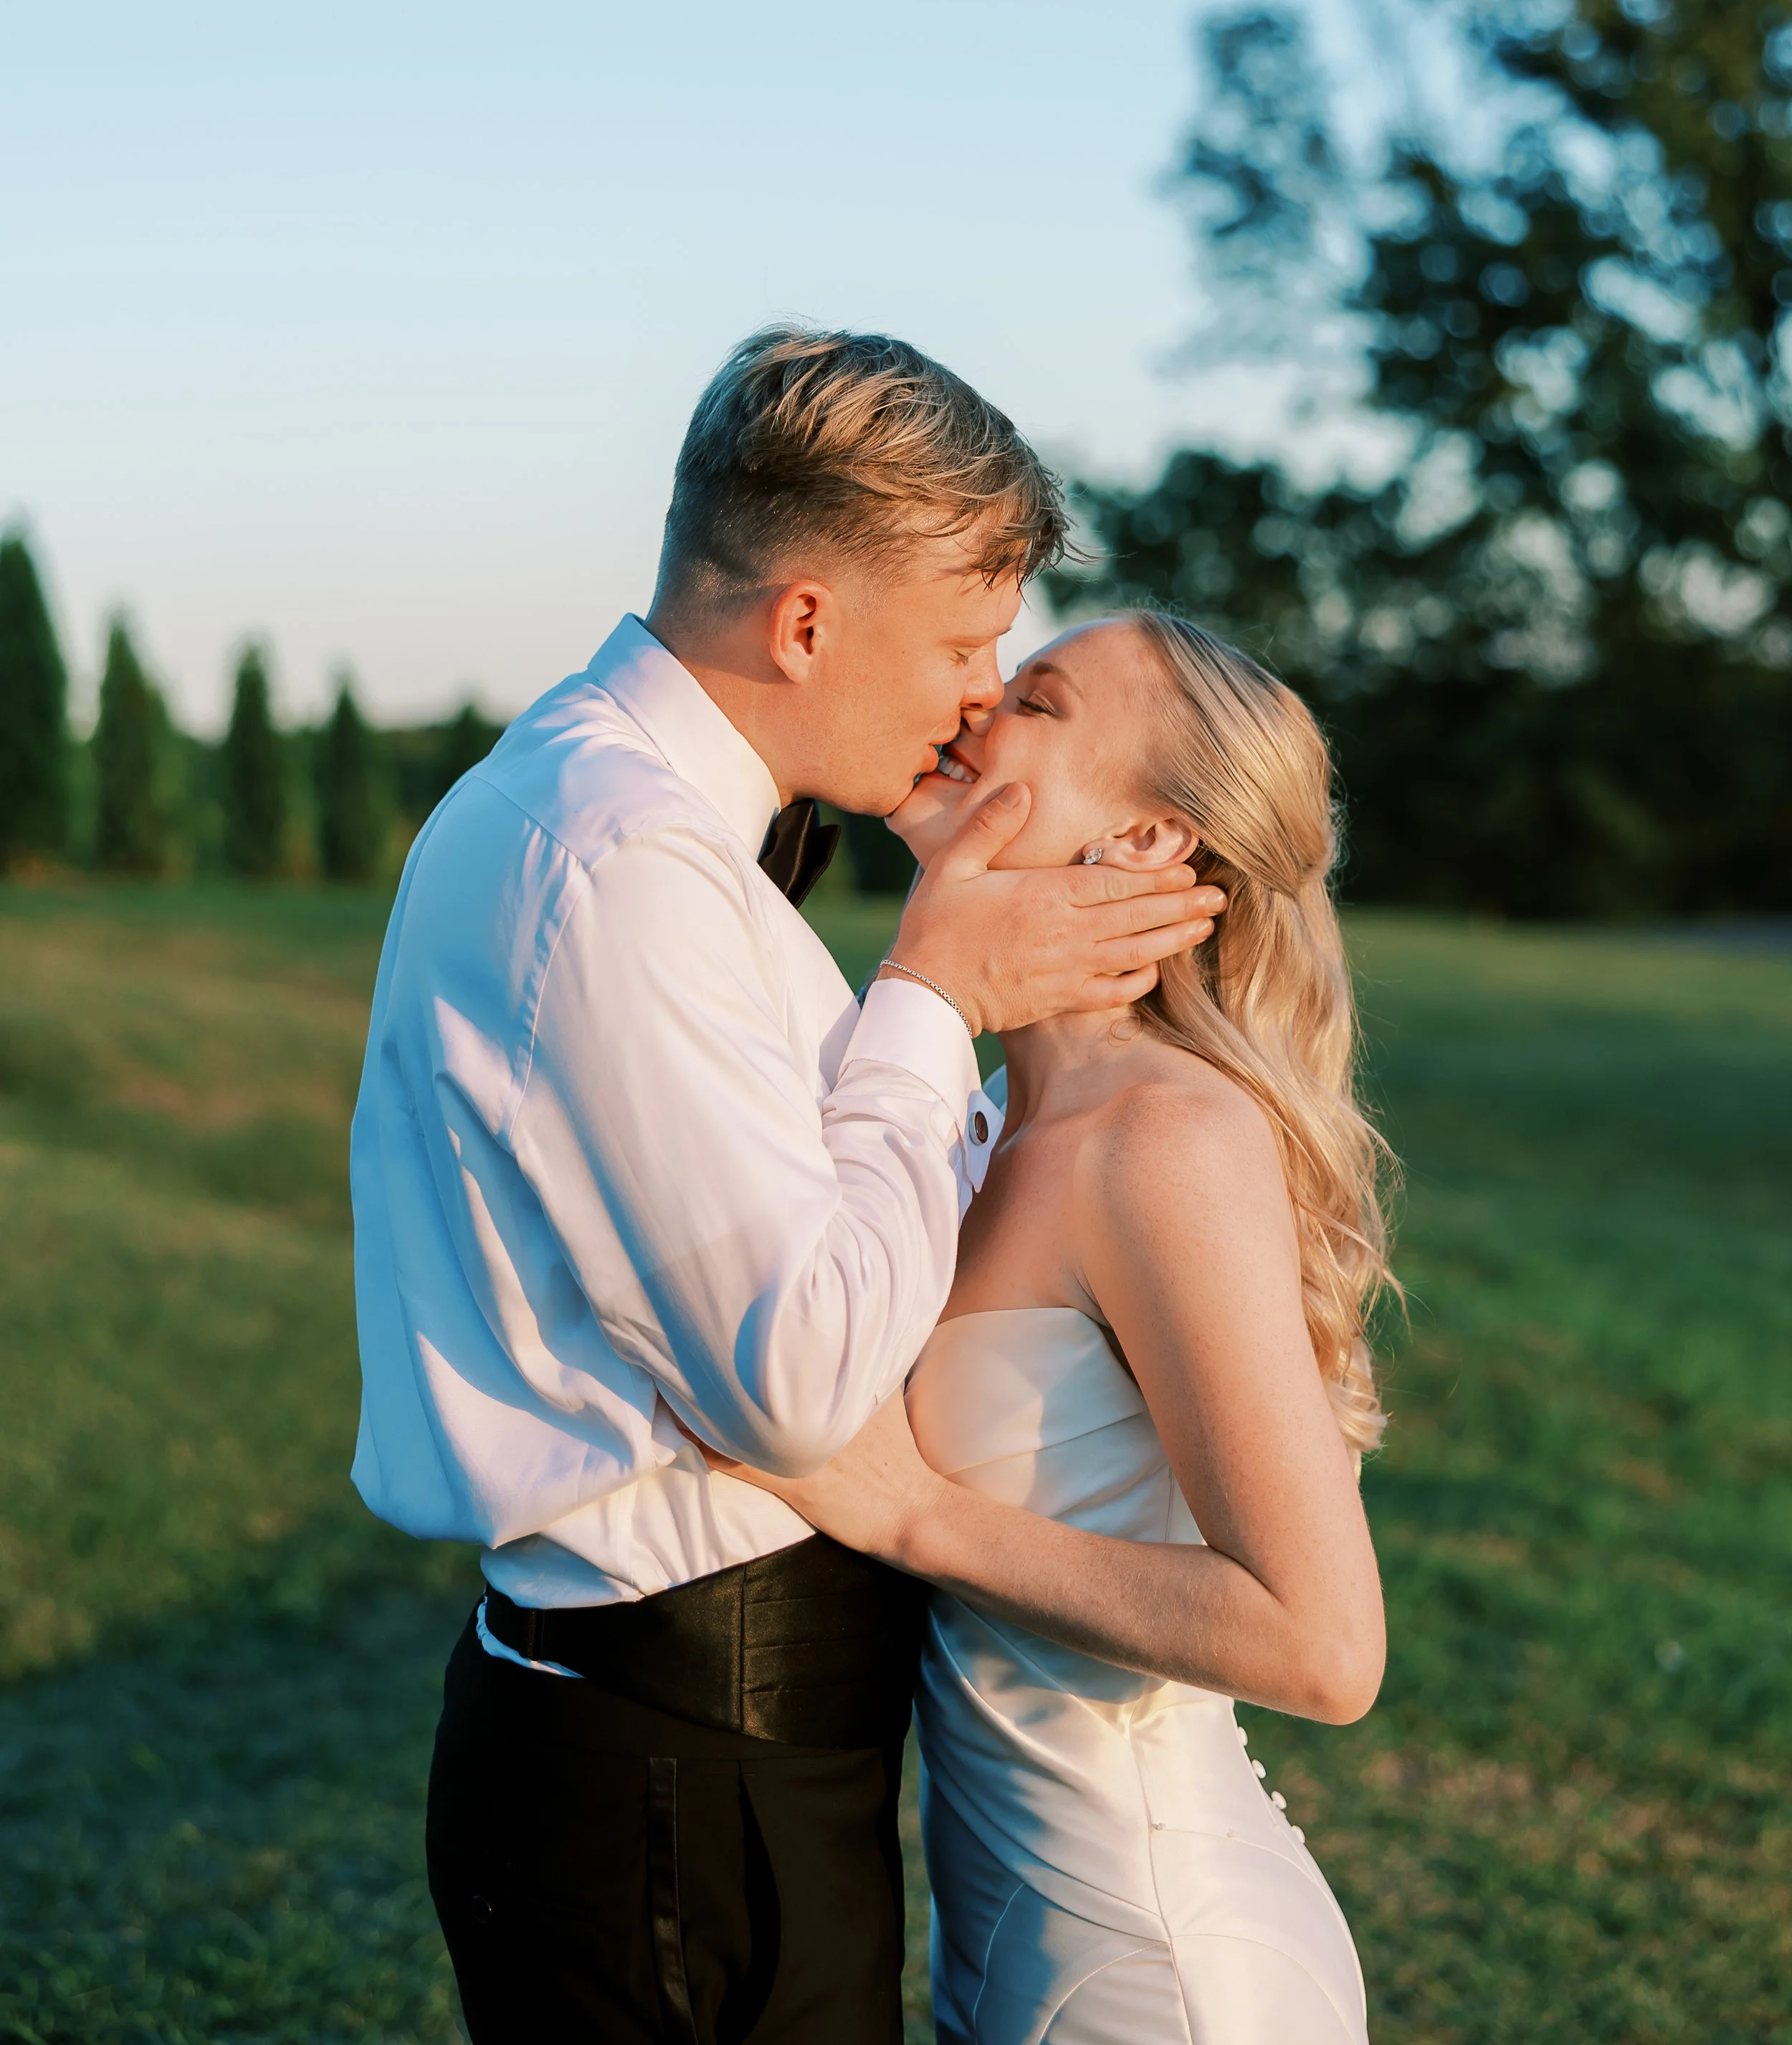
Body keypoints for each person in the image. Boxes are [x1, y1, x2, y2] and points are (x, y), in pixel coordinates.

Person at [348, 328, 1224, 2044]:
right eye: (967, 639)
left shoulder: (638, 822)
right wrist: (933, 995)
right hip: (681, 1767)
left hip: (704, 1750)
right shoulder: (618, 862)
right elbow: (799, 1372)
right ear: (806, 621)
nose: (982, 691)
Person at [705, 611, 1395, 2043]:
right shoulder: (970, 1127)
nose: (969, 701)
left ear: (1146, 841)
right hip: (1008, 1941)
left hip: (1160, 1958)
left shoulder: (1164, 1140)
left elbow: (1322, 1644)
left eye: (1035, 699)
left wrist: (912, 1518)